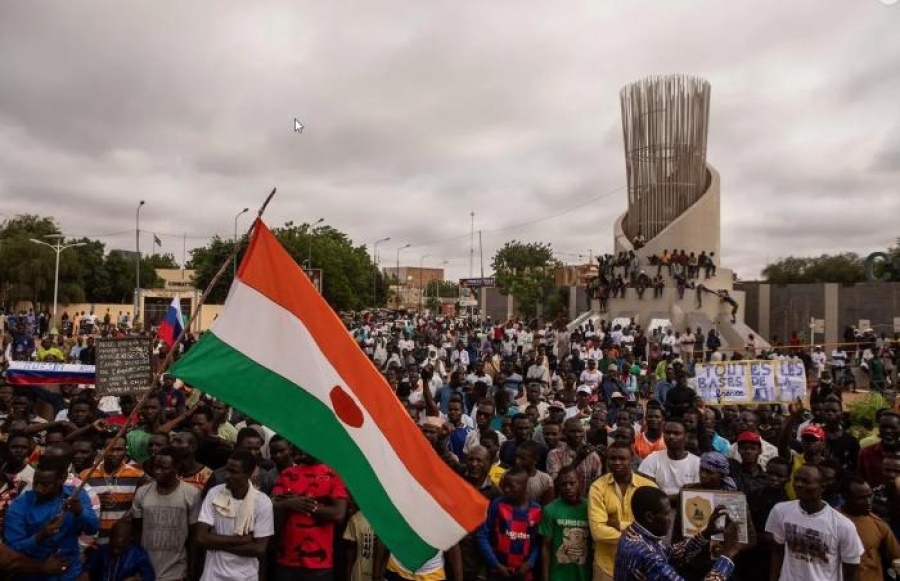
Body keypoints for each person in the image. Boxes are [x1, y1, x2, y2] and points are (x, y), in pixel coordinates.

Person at [613, 486, 747, 581]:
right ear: (649, 517)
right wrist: (728, 555)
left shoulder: (634, 533)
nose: (670, 519)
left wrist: (706, 533)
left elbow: (671, 554)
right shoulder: (646, 554)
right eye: (666, 514)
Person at [766, 464, 864, 581]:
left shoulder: (843, 525)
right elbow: (777, 551)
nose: (798, 485)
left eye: (806, 481)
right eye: (796, 479)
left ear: (822, 486)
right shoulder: (781, 511)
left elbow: (851, 568)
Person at [4, 462, 99, 580]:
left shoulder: (76, 495)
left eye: (45, 485)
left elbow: (93, 528)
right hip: (34, 575)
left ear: (61, 479)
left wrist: (80, 511)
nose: (38, 488)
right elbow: (12, 550)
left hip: (70, 573)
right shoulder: (19, 505)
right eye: (36, 483)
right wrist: (40, 536)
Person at [271, 447, 348, 580]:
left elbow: (339, 513)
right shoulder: (287, 473)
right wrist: (290, 504)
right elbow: (271, 504)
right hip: (286, 559)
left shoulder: (333, 474)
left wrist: (301, 505)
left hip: (319, 563)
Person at [197, 450, 275, 581]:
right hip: (212, 576)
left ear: (248, 474)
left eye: (233, 472)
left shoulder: (262, 502)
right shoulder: (214, 493)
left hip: (245, 577)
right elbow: (201, 538)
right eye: (227, 470)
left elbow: (259, 549)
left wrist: (214, 542)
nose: (227, 475)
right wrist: (239, 540)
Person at [587, 442, 656, 581]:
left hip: (641, 568)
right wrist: (640, 538)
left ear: (631, 459)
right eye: (612, 458)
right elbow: (598, 532)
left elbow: (655, 529)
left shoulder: (648, 487)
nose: (617, 462)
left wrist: (619, 525)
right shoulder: (598, 487)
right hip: (606, 567)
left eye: (622, 459)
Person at [132, 446, 202, 581]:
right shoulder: (142, 492)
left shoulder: (191, 494)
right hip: (145, 570)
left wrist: (192, 570)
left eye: (164, 468)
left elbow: (194, 536)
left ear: (176, 468)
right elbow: (137, 531)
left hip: (176, 572)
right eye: (155, 467)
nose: (158, 472)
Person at [476, 468, 542, 580]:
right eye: (504, 485)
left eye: (511, 486)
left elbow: (538, 542)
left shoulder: (537, 510)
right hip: (497, 572)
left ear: (524, 486)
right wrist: (496, 564)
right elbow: (482, 535)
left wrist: (529, 564)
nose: (506, 490)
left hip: (523, 574)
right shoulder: (498, 504)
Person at [80, 435, 145, 544]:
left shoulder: (138, 476)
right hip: (92, 541)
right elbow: (79, 507)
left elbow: (138, 511)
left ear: (125, 451)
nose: (114, 454)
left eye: (119, 449)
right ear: (102, 450)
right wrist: (96, 501)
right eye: (110, 449)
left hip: (121, 541)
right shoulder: (85, 475)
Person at [840, 476, 900, 581]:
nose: (868, 502)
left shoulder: (878, 524)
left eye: (869, 496)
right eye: (861, 498)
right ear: (845, 496)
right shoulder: (832, 521)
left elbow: (897, 556)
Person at [539, 466, 591, 581]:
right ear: (558, 486)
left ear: (580, 483)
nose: (568, 487)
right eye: (564, 484)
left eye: (572, 483)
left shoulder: (590, 508)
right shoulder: (550, 510)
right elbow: (545, 547)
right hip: (558, 576)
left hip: (584, 575)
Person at [637, 419, 699, 497]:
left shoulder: (697, 463)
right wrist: (680, 496)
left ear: (686, 437)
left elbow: (696, 495)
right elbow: (650, 494)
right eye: (667, 433)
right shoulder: (653, 458)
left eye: (676, 433)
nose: (671, 436)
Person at [83, 517, 156, 581]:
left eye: (119, 548)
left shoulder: (138, 554)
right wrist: (85, 574)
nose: (115, 551)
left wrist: (137, 579)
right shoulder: (102, 550)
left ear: (130, 539)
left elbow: (150, 575)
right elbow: (87, 567)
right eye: (113, 546)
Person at [546, 418, 603, 497]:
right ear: (564, 432)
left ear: (583, 433)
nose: (576, 435)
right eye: (572, 431)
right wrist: (578, 460)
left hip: (586, 503)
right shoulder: (554, 454)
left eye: (579, 431)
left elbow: (598, 483)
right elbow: (555, 483)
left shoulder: (593, 455)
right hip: (563, 502)